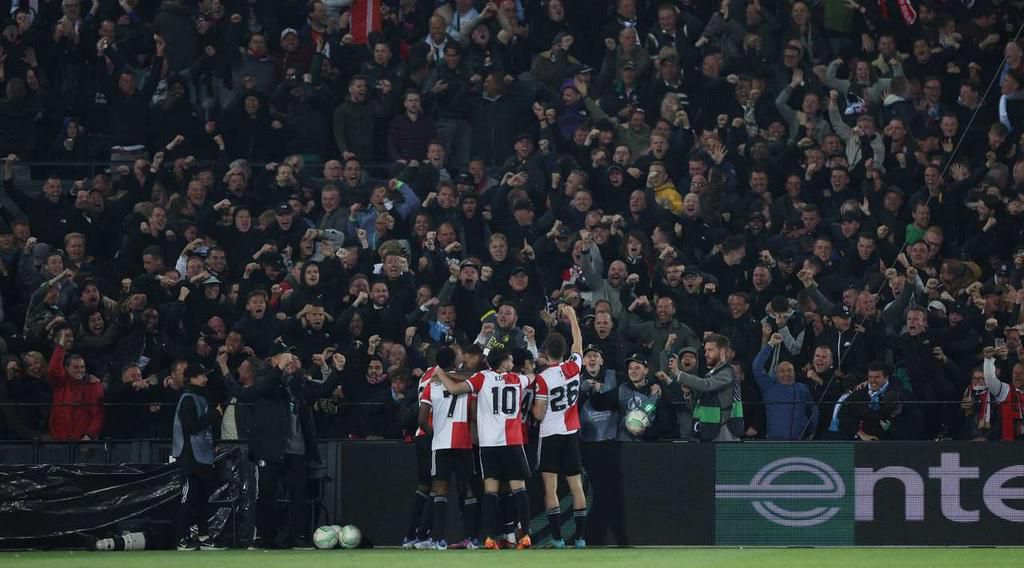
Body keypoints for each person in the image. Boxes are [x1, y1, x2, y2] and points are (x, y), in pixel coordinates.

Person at [435, 349, 533, 550]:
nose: (512, 363)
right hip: (512, 443)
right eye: (510, 359)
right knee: (519, 489)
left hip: (489, 445)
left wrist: (441, 373)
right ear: (504, 364)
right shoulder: (518, 379)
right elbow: (532, 377)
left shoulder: (481, 378)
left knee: (490, 491)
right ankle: (525, 536)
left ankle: (489, 538)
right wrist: (531, 369)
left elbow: (454, 389)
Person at [249, 341, 343, 550]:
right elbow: (263, 388)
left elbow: (322, 390)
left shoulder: (299, 383)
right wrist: (278, 368)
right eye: (284, 357)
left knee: (299, 495)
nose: (289, 361)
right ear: (272, 360)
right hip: (270, 449)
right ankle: (263, 538)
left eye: (290, 358)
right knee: (266, 495)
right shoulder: (265, 378)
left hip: (296, 450)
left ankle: (297, 537)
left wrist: (337, 371)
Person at [531, 305, 588, 549]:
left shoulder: (544, 378)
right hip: (571, 433)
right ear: (563, 351)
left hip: (551, 434)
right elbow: (579, 343)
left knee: (551, 487)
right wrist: (573, 317)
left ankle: (557, 538)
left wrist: (530, 409)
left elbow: (540, 412)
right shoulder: (574, 367)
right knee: (576, 486)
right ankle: (581, 539)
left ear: (545, 352)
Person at [414, 346, 479, 550]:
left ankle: (438, 539)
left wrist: (435, 433)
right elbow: (474, 414)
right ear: (454, 360)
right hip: (463, 442)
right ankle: (473, 538)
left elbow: (421, 419)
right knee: (467, 489)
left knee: (440, 489)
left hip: (441, 444)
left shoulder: (431, 385)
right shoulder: (466, 383)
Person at [172, 364, 225, 552]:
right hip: (190, 458)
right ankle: (182, 539)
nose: (206, 379)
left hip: (201, 456)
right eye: (203, 375)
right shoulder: (188, 398)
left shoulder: (199, 397)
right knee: (188, 500)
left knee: (202, 499)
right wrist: (214, 415)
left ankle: (204, 537)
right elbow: (191, 428)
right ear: (193, 378)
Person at [670, 334, 744, 442]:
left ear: (722, 352)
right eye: (705, 350)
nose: (706, 354)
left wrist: (678, 373)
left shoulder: (727, 371)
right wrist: (688, 395)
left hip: (724, 429)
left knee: (726, 459)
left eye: (710, 350)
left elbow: (706, 385)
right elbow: (698, 406)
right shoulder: (711, 374)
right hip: (710, 428)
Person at [751, 333, 818, 440]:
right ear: (775, 374)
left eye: (789, 371)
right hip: (774, 443)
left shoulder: (803, 389)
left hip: (799, 442)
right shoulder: (768, 386)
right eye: (782, 371)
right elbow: (756, 367)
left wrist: (812, 432)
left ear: (794, 373)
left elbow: (813, 411)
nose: (786, 374)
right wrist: (770, 344)